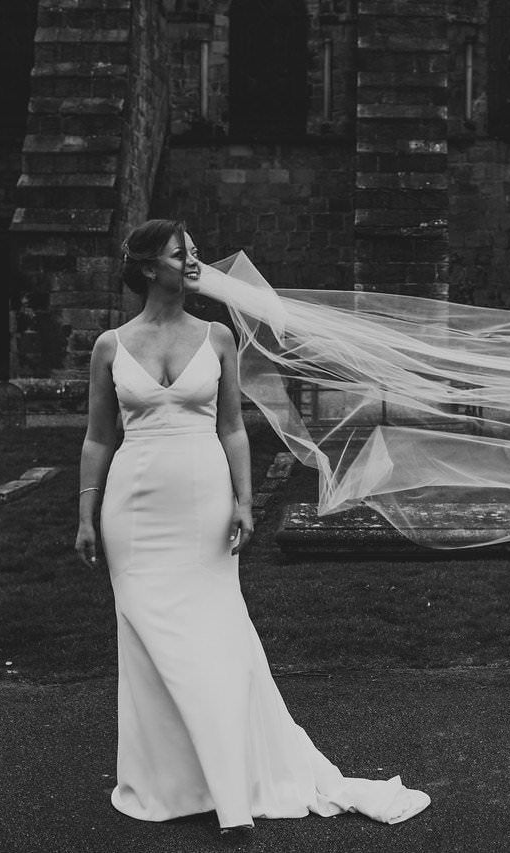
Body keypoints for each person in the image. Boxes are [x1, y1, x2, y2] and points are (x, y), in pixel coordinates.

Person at [74, 219, 430, 841]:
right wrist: (85, 514)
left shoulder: (216, 338)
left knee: (214, 635)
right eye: (179, 252)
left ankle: (233, 790)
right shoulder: (110, 345)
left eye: (193, 251)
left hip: (202, 500)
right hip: (132, 507)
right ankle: (170, 780)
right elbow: (99, 436)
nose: (193, 260)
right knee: (146, 638)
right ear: (146, 267)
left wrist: (244, 500)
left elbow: (233, 427)